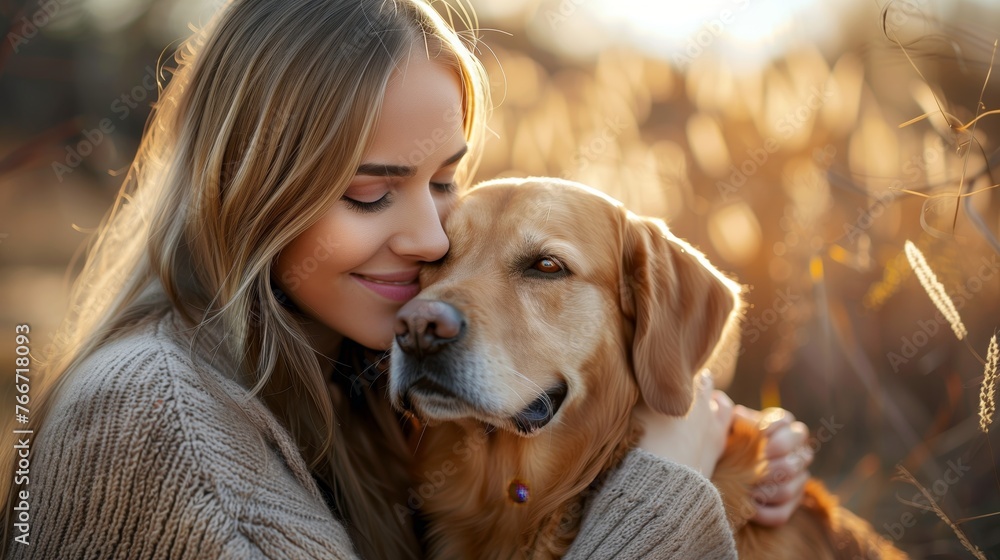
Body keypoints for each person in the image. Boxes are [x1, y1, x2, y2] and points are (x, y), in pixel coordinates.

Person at [0, 0, 812, 558]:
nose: (429, 241)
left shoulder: (345, 377)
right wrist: (663, 493)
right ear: (247, 190)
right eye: (368, 192)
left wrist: (732, 447)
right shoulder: (155, 423)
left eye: (444, 184)